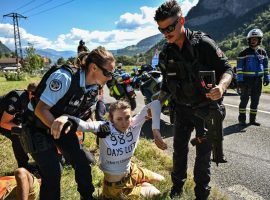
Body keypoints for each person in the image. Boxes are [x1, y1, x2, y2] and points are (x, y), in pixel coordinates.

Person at [154, 1, 233, 199]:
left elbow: (228, 69)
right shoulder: (166, 53)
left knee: (203, 155)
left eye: (170, 28)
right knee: (179, 150)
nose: (166, 33)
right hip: (181, 109)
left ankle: (201, 194)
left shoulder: (203, 44)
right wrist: (156, 102)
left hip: (205, 110)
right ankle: (177, 188)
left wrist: (221, 87)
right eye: (161, 30)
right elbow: (166, 86)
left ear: (181, 21)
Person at [24, 46, 115, 200]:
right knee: (53, 173)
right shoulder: (64, 77)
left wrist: (96, 129)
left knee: (82, 162)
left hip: (60, 125)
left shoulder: (94, 87)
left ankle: (87, 197)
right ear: (94, 68)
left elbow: (85, 114)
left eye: (113, 73)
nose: (110, 78)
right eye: (108, 73)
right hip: (37, 126)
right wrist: (58, 126)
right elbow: (41, 110)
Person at [51, 100, 168, 199]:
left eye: (127, 117)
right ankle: (139, 186)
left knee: (162, 180)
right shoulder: (105, 128)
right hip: (116, 187)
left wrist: (155, 131)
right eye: (119, 119)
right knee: (156, 194)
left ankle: (140, 181)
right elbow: (84, 125)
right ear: (111, 119)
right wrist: (65, 117)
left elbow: (156, 103)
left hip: (133, 170)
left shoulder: (134, 123)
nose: (124, 123)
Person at [0, 83, 38, 171]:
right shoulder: (15, 99)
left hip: (10, 119)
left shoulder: (33, 100)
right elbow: (4, 123)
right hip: (3, 120)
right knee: (18, 135)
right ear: (30, 93)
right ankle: (23, 166)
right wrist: (23, 129)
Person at [236, 28, 269, 126]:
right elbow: (239, 69)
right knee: (244, 100)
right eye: (252, 39)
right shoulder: (244, 53)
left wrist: (267, 77)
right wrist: (240, 80)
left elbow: (266, 67)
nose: (253, 41)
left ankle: (252, 120)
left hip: (258, 80)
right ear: (249, 40)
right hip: (246, 81)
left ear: (259, 40)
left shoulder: (263, 52)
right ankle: (242, 120)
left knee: (255, 101)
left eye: (255, 39)